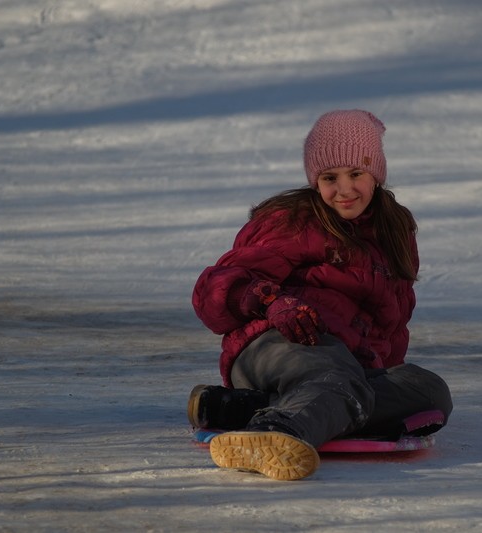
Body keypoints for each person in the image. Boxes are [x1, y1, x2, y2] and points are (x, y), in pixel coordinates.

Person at [189, 109, 453, 481]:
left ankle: (245, 409)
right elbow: (214, 289)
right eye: (330, 178)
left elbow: (390, 324)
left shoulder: (393, 229)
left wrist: (376, 373)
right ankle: (276, 434)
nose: (344, 190)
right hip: (276, 345)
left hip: (347, 367)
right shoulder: (292, 221)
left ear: (375, 173)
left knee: (428, 391)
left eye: (356, 174)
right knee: (338, 378)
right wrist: (271, 301)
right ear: (316, 181)